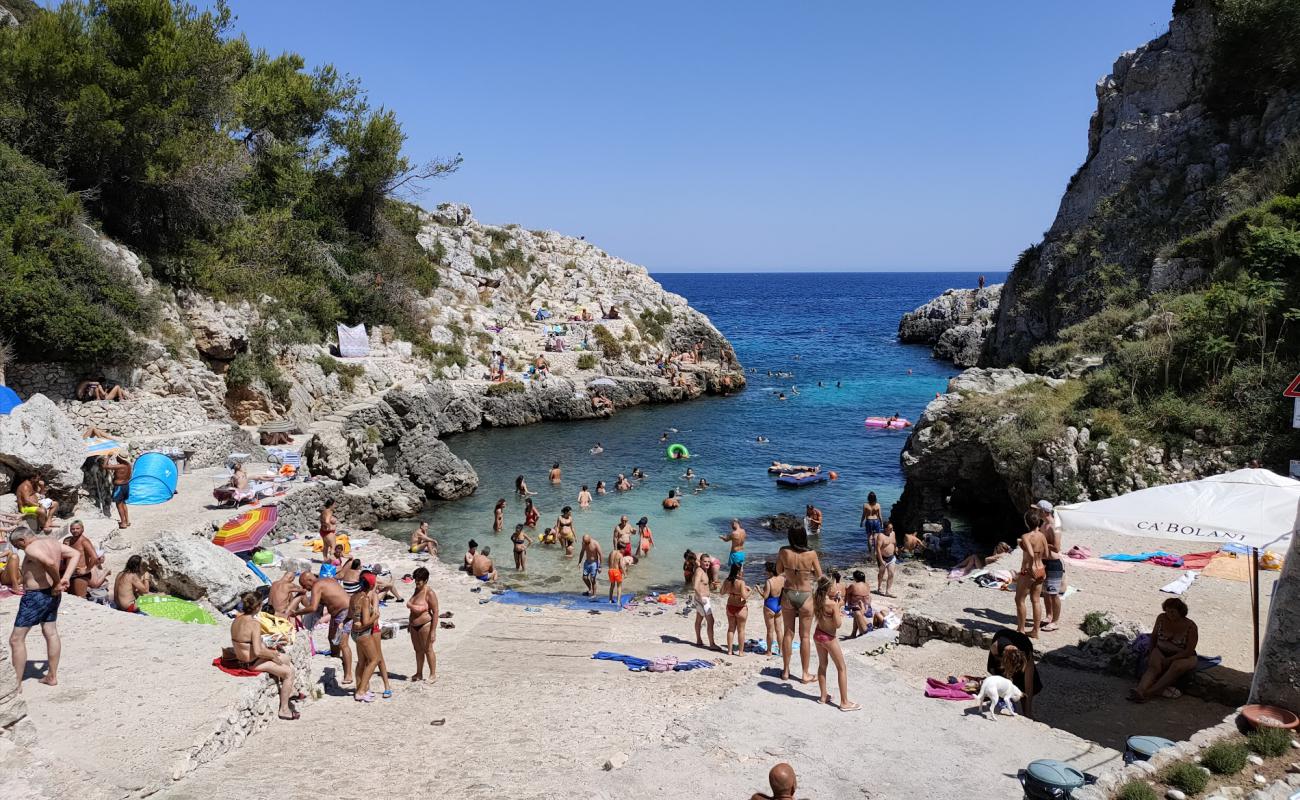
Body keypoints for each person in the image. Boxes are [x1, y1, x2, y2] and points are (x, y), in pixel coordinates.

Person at [8, 528, 79, 691]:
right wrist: (66, 577)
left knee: (16, 639)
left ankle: (16, 685)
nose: (19, 550)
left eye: (17, 546)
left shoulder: (31, 548)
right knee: (50, 632)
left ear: (22, 540)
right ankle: (52, 676)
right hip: (51, 595)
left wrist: (57, 582)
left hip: (36, 596)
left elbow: (50, 563)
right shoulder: (52, 542)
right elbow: (75, 554)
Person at [230, 592, 299, 719]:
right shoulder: (254, 624)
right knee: (289, 672)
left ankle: (289, 690)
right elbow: (257, 651)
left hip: (245, 659)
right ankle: (284, 709)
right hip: (252, 663)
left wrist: (272, 653)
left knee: (286, 658)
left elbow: (249, 645)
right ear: (258, 607)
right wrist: (272, 656)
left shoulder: (237, 619)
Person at [289, 572, 354, 686]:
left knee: (343, 643)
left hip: (344, 612)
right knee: (331, 637)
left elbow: (313, 607)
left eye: (305, 585)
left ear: (309, 580)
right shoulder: (326, 580)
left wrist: (297, 613)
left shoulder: (317, 586)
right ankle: (336, 659)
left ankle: (348, 674)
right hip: (341, 611)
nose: (306, 589)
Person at [776, 527, 822, 683]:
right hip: (805, 595)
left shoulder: (783, 551)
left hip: (789, 593)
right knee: (805, 636)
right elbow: (819, 575)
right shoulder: (811, 554)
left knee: (788, 633)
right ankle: (804, 674)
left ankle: (786, 671)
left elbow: (778, 570)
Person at [1131, 598, 1199, 703]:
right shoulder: (1161, 618)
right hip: (1161, 650)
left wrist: (1171, 659)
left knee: (1176, 667)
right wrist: (1151, 651)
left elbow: (1189, 650)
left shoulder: (1191, 626)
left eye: (1172, 612)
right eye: (1167, 611)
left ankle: (1150, 692)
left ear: (1180, 612)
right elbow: (1153, 637)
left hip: (1183, 655)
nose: (1169, 614)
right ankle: (1140, 690)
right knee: (1153, 667)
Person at [813, 575, 859, 711]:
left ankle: (823, 696)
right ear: (828, 589)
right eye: (833, 586)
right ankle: (844, 702)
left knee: (822, 665)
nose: (835, 587)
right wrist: (838, 607)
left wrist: (836, 603)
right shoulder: (832, 604)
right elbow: (838, 625)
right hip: (829, 638)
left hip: (818, 634)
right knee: (841, 668)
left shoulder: (817, 599)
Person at [987, 627, 1042, 718]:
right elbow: (995, 669)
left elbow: (1028, 685)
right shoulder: (996, 647)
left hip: (1021, 643)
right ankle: (1003, 702)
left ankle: (1027, 714)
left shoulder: (1026, 651)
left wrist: (1028, 712)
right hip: (1001, 649)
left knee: (1023, 684)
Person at [1015, 506, 1050, 639]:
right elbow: (1046, 554)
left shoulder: (1025, 536)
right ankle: (1035, 631)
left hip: (1030, 571)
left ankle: (1021, 630)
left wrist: (1022, 545)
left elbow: (1029, 552)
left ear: (1026, 522)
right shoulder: (1042, 536)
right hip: (1041, 570)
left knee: (1019, 599)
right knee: (1036, 600)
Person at [349, 572, 382, 702]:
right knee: (375, 659)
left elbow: (351, 615)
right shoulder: (365, 599)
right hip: (363, 634)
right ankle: (362, 691)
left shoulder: (354, 596)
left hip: (355, 633)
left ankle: (359, 688)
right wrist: (376, 616)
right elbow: (367, 621)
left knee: (362, 661)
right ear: (371, 585)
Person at [1037, 501, 1065, 632]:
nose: (1036, 512)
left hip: (1053, 563)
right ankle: (1049, 616)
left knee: (1054, 594)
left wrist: (1041, 543)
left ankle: (1055, 621)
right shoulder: (1043, 524)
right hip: (1044, 562)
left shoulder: (1054, 527)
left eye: (1038, 510)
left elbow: (1057, 548)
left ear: (1044, 512)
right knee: (1046, 593)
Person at [63, 521, 103, 598]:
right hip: (71, 573)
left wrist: (86, 570)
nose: (75, 531)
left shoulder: (84, 541)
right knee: (71, 597)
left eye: (77, 528)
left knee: (80, 598)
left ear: (82, 529)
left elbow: (94, 557)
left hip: (80, 575)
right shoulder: (70, 540)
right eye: (73, 529)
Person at [692, 552, 719, 650]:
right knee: (711, 621)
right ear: (700, 562)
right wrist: (701, 599)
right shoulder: (699, 571)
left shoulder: (704, 571)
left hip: (702, 599)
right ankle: (712, 644)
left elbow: (703, 585)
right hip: (702, 599)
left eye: (708, 562)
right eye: (705, 562)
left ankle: (699, 640)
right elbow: (695, 586)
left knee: (699, 619)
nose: (707, 563)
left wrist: (712, 586)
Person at [722, 564, 750, 656]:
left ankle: (729, 651)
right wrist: (750, 591)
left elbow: (722, 592)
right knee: (741, 630)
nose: (743, 571)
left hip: (730, 606)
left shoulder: (727, 580)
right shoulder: (741, 582)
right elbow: (744, 596)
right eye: (742, 569)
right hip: (740, 608)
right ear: (738, 571)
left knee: (731, 629)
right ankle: (741, 652)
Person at [759, 562, 784, 658]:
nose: (765, 572)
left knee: (770, 630)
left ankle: (769, 651)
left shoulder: (769, 581)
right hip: (778, 605)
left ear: (769, 571)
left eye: (766, 570)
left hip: (770, 605)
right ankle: (781, 650)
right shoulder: (782, 579)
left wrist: (758, 589)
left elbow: (765, 596)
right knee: (779, 630)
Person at [100, 455, 132, 529]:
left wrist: (107, 457)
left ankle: (123, 523)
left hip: (119, 487)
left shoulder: (120, 466)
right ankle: (127, 521)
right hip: (126, 485)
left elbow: (104, 466)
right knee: (123, 503)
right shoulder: (128, 465)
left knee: (119, 504)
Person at [845, 570, 875, 637]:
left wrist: (848, 603)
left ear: (855, 578)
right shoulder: (867, 585)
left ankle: (853, 633)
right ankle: (853, 634)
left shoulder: (853, 585)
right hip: (867, 608)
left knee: (849, 593)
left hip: (857, 607)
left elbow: (847, 593)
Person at [875, 521, 897, 597]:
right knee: (881, 574)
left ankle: (888, 591)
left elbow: (894, 542)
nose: (892, 529)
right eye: (890, 528)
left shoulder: (893, 533)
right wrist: (881, 560)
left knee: (891, 574)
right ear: (885, 529)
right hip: (883, 558)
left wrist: (896, 548)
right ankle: (879, 588)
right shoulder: (880, 536)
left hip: (891, 557)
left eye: (892, 528)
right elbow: (877, 548)